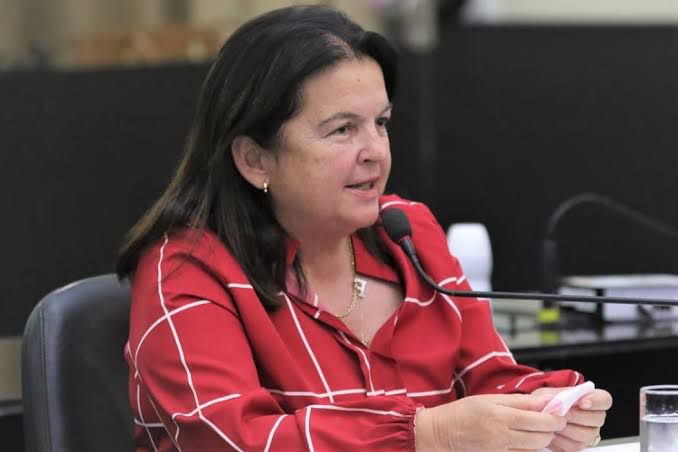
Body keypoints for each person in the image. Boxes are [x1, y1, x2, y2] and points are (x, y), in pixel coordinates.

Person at [116, 5, 612, 451]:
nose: (375, 151)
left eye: (382, 123)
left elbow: (490, 378)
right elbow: (233, 440)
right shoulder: (187, 269)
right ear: (254, 159)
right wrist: (429, 434)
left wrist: (546, 407)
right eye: (343, 129)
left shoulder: (408, 234)